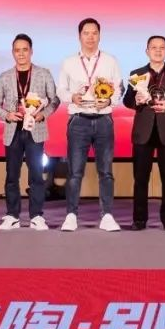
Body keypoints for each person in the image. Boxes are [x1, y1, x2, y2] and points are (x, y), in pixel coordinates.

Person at [55, 18, 123, 231]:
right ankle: (71, 215)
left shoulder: (110, 61)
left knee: (106, 172)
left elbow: (118, 89)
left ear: (99, 35)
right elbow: (61, 89)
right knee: (75, 171)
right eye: (86, 33)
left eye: (94, 33)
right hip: (78, 120)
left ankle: (107, 216)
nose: (90, 37)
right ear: (79, 36)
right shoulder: (69, 62)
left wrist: (109, 101)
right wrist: (72, 97)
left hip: (103, 120)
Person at [123, 35, 165, 231]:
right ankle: (139, 219)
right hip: (143, 131)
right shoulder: (136, 74)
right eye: (154, 47)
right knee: (140, 179)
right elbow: (127, 101)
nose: (158, 51)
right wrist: (136, 100)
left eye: (162, 47)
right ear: (147, 51)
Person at [0, 34, 60, 231]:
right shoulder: (5, 76)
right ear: (13, 53)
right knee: (11, 175)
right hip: (13, 130)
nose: (21, 54)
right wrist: (7, 115)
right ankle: (12, 216)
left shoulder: (43, 74)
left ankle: (36, 216)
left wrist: (43, 114)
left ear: (31, 51)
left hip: (35, 130)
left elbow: (54, 100)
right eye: (17, 50)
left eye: (25, 50)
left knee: (36, 174)